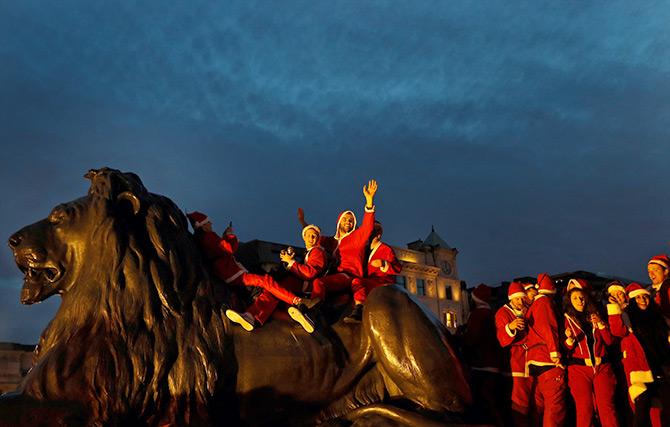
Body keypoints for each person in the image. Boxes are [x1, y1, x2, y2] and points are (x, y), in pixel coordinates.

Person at [187, 211, 315, 333]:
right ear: (203, 225)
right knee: (266, 280)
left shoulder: (203, 239)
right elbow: (229, 248)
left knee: (268, 297)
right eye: (208, 223)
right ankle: (298, 302)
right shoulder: (209, 236)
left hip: (226, 273)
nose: (211, 225)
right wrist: (230, 235)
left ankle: (251, 317)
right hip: (232, 273)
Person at [299, 180, 378, 322]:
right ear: (339, 222)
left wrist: (369, 200)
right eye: (345, 219)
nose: (348, 222)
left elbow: (368, 226)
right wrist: (303, 222)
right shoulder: (331, 241)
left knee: (319, 283)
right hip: (336, 276)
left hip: (348, 275)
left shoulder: (357, 237)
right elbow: (313, 236)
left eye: (351, 221)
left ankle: (314, 311)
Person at [608, 283, 669, 427]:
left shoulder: (658, 317)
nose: (642, 299)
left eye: (645, 296)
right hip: (640, 370)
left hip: (662, 369)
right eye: (638, 297)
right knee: (641, 411)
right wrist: (614, 309)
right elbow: (617, 331)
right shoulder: (627, 317)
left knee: (664, 409)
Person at [563, 287, 619, 427]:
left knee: (607, 407)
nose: (579, 301)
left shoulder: (596, 314)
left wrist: (601, 324)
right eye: (575, 298)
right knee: (585, 409)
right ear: (569, 301)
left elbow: (610, 341)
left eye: (581, 297)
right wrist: (569, 340)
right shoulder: (566, 319)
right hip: (579, 369)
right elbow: (565, 350)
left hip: (602, 367)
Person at [525, 273, 566, 426]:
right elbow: (548, 328)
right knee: (555, 405)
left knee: (539, 404)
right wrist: (555, 353)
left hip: (534, 359)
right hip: (547, 359)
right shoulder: (545, 303)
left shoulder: (534, 305)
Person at [463, 284, 504, 426]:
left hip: (481, 364)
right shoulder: (492, 314)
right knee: (492, 400)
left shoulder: (478, 315)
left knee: (483, 402)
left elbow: (471, 339)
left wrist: (460, 339)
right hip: (493, 364)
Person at [345, 221, 401, 321]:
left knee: (357, 282)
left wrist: (383, 263)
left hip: (382, 281)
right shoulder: (364, 250)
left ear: (379, 234)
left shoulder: (385, 249)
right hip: (369, 282)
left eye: (373, 232)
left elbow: (397, 268)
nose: (369, 235)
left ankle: (359, 309)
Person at [495, 281, 531, 427]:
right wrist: (510, 327)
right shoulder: (502, 313)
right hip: (515, 362)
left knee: (532, 397)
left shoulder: (528, 310)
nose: (520, 302)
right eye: (517, 299)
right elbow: (501, 338)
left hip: (530, 361)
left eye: (522, 298)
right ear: (511, 298)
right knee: (519, 399)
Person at [647, 254, 670, 325]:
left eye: (655, 270)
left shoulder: (667, 288)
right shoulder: (647, 290)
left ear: (666, 271)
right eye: (649, 271)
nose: (651, 274)